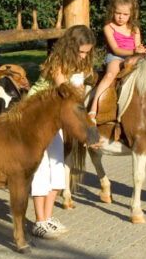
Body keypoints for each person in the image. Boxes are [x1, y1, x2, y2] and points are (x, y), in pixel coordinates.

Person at [28, 25, 96, 239]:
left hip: (56, 119)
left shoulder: (81, 65)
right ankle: (39, 222)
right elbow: (66, 93)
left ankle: (47, 219)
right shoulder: (58, 63)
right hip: (37, 114)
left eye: (87, 52)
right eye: (81, 51)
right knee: (41, 168)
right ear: (70, 47)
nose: (84, 56)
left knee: (57, 165)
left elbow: (79, 96)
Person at [88, 0, 146, 122]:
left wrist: (141, 51)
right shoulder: (109, 28)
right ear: (112, 12)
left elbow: (137, 46)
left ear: (131, 14)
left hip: (132, 57)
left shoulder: (134, 29)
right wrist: (134, 51)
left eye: (125, 14)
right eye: (118, 13)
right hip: (115, 57)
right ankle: (94, 107)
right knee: (110, 75)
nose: (121, 17)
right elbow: (115, 49)